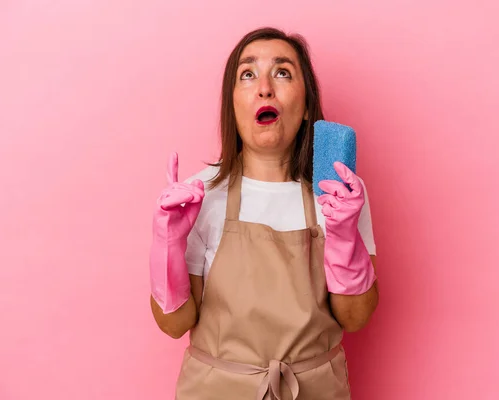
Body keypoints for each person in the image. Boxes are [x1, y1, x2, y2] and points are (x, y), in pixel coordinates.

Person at [149, 27, 379, 400]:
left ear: (306, 107)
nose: (265, 87)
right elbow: (175, 325)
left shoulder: (340, 193)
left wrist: (343, 236)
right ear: (233, 104)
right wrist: (167, 246)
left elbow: (356, 318)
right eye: (248, 74)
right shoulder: (198, 194)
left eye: (283, 72)